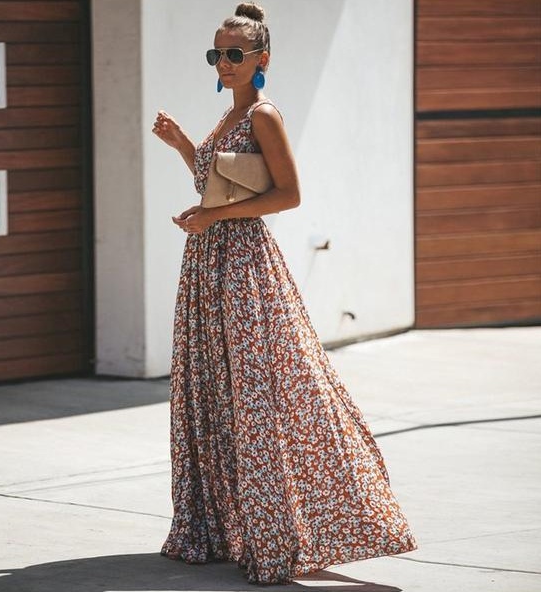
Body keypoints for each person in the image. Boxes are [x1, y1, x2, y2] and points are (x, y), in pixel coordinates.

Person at [152, 2, 418, 585]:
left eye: (234, 53)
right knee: (215, 391)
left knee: (260, 394)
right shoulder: (229, 115)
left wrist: (212, 218)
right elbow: (219, 184)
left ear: (262, 59)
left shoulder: (264, 115)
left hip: (244, 266)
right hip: (209, 264)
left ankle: (283, 533)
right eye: (216, 53)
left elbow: (287, 195)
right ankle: (222, 529)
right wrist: (182, 145)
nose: (224, 63)